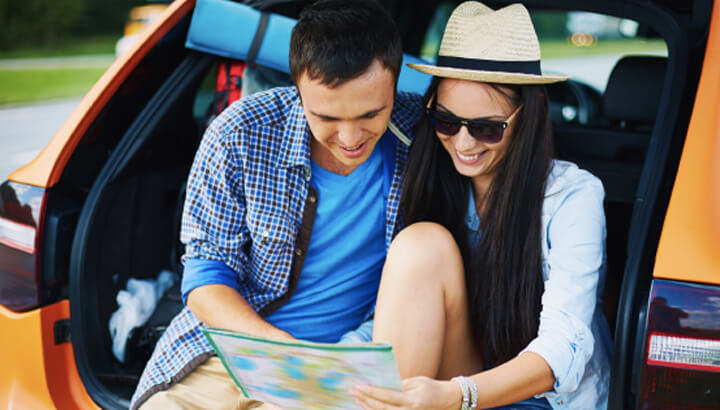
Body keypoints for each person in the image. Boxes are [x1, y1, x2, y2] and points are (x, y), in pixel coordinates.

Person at [130, 0, 421, 408]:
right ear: (297, 87)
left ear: (396, 83)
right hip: (228, 354)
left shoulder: (426, 137)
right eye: (327, 118)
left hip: (345, 367)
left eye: (371, 114)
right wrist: (279, 350)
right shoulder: (239, 134)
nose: (351, 137)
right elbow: (205, 275)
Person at [349, 2, 612, 409]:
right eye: (447, 122)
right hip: (452, 383)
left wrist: (458, 395)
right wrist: (330, 368)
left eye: (487, 128)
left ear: (525, 119)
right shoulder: (430, 176)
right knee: (420, 242)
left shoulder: (573, 196)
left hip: (535, 397)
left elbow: (565, 346)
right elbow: (393, 320)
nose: (464, 144)